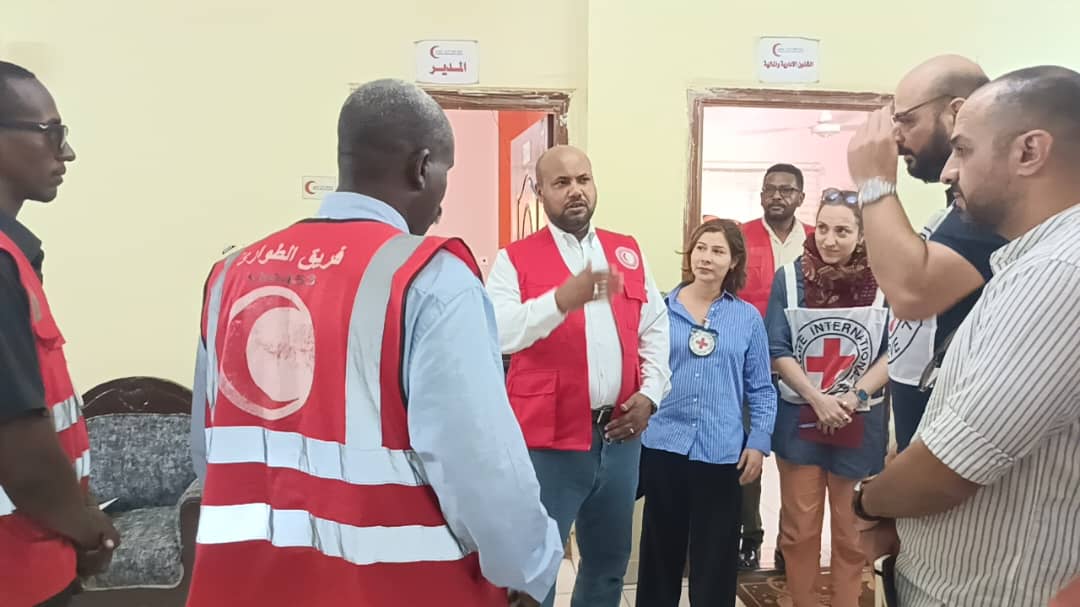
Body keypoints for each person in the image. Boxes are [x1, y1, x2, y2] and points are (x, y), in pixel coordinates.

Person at [186, 79, 562, 607]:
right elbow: (481, 469)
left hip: (246, 584)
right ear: (421, 167)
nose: (441, 196)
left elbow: (210, 452)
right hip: (395, 586)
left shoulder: (230, 275)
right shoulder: (432, 281)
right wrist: (529, 569)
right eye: (446, 172)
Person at [853, 66, 1080, 607]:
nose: (950, 171)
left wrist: (867, 500)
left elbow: (950, 468)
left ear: (1029, 152)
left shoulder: (1059, 270)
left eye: (963, 149)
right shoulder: (1029, 257)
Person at [486, 144, 671, 607]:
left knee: (608, 564)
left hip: (620, 436)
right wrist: (562, 299)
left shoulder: (626, 251)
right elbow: (499, 332)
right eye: (562, 183)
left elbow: (654, 327)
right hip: (548, 441)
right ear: (540, 192)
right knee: (535, 570)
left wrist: (650, 395)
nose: (575, 191)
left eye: (583, 180)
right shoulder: (514, 259)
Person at [0, 61, 120, 607]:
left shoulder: (14, 258)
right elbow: (18, 444)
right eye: (51, 132)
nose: (66, 152)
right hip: (16, 570)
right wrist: (90, 530)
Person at [847, 55, 1007, 451]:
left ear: (957, 113)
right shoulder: (956, 202)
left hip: (962, 445)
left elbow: (912, 293)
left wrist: (874, 183)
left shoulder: (994, 199)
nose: (896, 137)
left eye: (907, 120)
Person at [635, 219, 776, 607]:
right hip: (664, 446)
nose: (706, 258)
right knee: (660, 554)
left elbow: (761, 388)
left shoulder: (746, 318)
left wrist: (759, 442)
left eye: (718, 251)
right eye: (701, 248)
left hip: (721, 451)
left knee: (716, 558)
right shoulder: (659, 311)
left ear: (734, 261)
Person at [764, 189, 891, 607]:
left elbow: (896, 350)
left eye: (842, 231)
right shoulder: (788, 279)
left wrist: (853, 397)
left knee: (852, 530)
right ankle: (802, 599)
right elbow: (777, 347)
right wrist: (817, 399)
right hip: (801, 419)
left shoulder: (885, 280)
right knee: (799, 529)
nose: (829, 239)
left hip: (861, 420)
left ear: (861, 234)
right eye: (822, 228)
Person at [738, 163, 814, 570]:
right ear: (761, 194)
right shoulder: (740, 238)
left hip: (803, 373)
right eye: (770, 189)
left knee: (798, 465)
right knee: (747, 456)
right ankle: (749, 537)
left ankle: (792, 545)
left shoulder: (817, 241)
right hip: (749, 371)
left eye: (786, 190)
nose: (777, 196)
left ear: (800, 196)